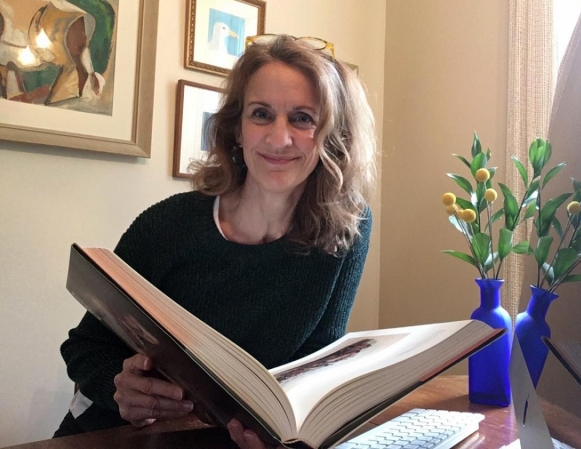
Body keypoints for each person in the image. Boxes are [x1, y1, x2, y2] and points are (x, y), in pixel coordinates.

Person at [53, 34, 377, 448]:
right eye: (261, 114)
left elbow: (315, 367)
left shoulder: (348, 229)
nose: (279, 139)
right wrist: (120, 387)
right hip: (118, 435)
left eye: (302, 118)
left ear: (333, 135)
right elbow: (84, 346)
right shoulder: (166, 225)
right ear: (236, 130)